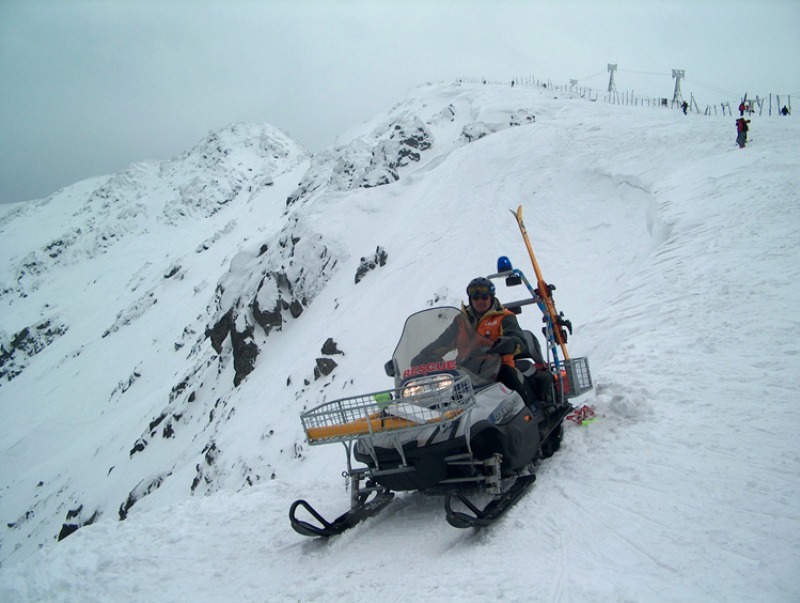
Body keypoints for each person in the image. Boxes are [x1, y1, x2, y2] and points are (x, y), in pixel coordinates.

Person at [414, 277, 541, 407]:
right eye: (475, 297)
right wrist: (422, 356)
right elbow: (442, 342)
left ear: (491, 297)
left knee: (512, 384)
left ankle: (528, 411)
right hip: (466, 370)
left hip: (497, 368)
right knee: (447, 398)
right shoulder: (461, 321)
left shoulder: (504, 317)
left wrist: (510, 344)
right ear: (470, 299)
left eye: (485, 297)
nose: (480, 301)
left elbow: (518, 339)